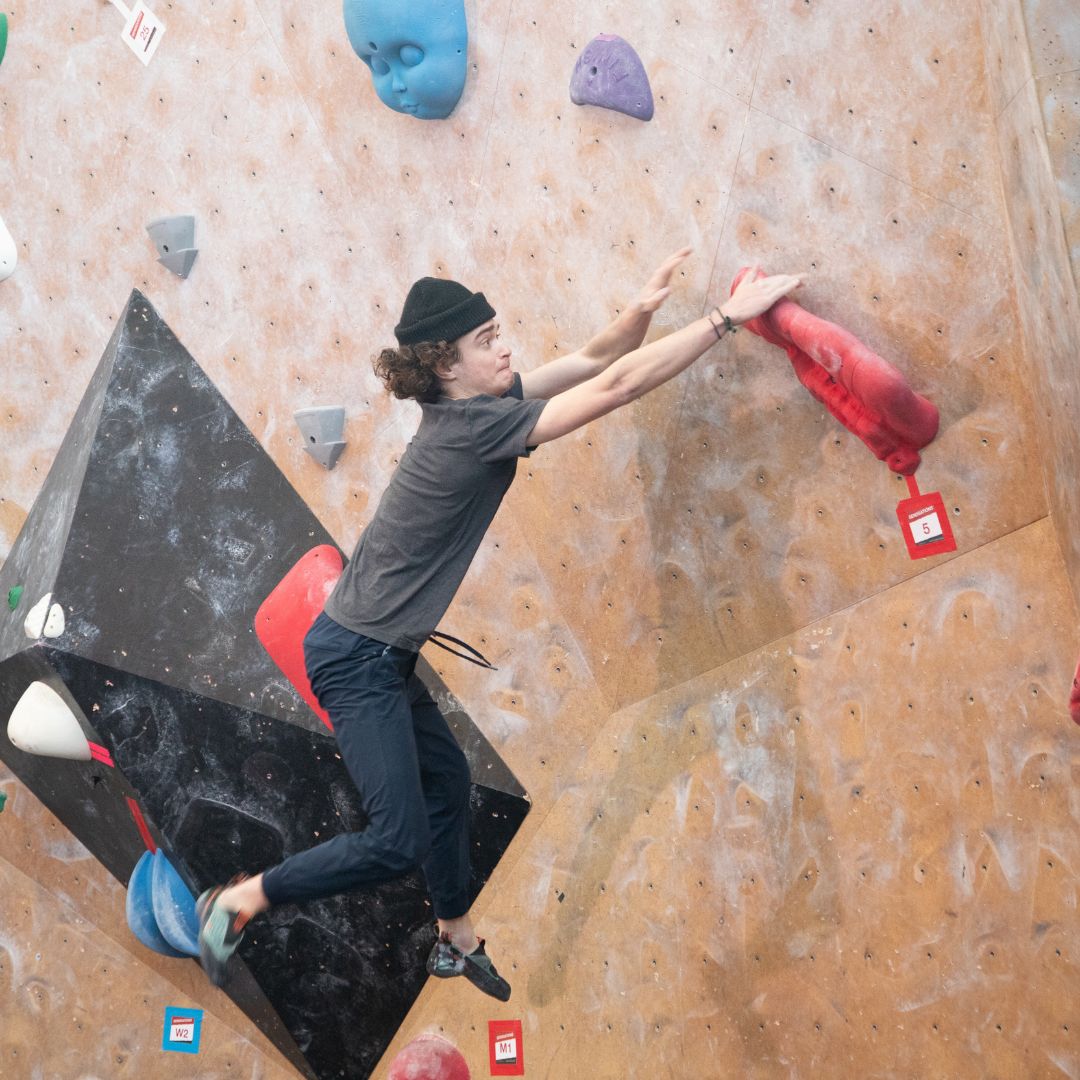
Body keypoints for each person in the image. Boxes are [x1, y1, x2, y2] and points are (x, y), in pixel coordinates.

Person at [196, 249, 804, 999]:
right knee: (395, 840)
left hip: (379, 654)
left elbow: (592, 358)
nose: (505, 346)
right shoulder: (469, 433)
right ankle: (242, 898)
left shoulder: (478, 409)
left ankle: (454, 936)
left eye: (498, 332)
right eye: (487, 339)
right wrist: (723, 322)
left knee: (448, 781)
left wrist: (643, 309)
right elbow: (614, 387)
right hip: (355, 658)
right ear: (446, 364)